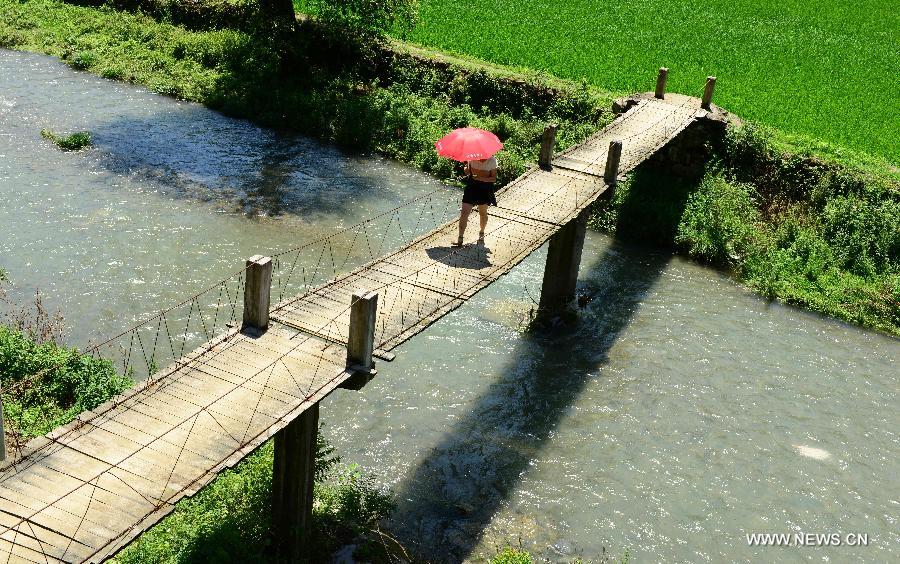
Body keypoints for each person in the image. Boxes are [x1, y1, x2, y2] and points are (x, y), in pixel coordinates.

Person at [452, 156, 497, 246]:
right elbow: (467, 171)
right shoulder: (471, 157)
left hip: (485, 189)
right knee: (464, 213)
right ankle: (460, 238)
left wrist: (481, 178)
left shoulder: (492, 160)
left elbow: (493, 178)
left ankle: (481, 232)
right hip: (471, 187)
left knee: (482, 213)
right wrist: (466, 165)